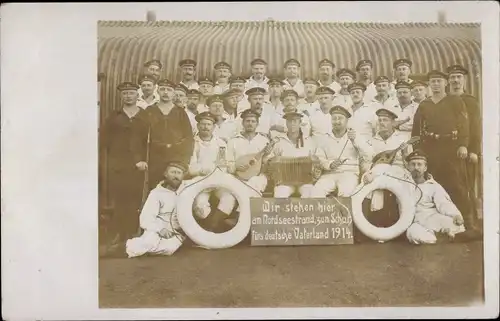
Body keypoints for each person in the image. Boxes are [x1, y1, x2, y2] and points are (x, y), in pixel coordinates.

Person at [411, 70, 480, 237]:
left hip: (452, 149)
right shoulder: (424, 105)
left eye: (439, 81)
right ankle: (443, 226)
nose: (436, 84)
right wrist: (418, 152)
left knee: (458, 185)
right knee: (436, 186)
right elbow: (416, 131)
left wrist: (463, 145)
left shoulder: (455, 101)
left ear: (445, 83)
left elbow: (464, 124)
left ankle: (469, 224)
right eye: (433, 81)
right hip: (431, 150)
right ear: (429, 85)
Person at [99, 82, 149, 252]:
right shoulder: (114, 117)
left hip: (138, 166)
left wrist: (144, 161)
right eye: (125, 93)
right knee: (119, 200)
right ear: (121, 96)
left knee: (135, 199)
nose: (128, 96)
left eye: (131, 93)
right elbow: (104, 142)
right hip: (118, 165)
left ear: (137, 95)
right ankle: (118, 234)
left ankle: (133, 234)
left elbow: (148, 142)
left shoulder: (145, 116)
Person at [404, 150, 476, 244]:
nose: (416, 167)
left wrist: (455, 215)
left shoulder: (433, 185)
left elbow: (444, 203)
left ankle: (443, 235)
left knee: (457, 226)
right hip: (416, 222)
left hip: (433, 218)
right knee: (413, 233)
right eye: (413, 164)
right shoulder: (403, 185)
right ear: (408, 167)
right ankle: (443, 237)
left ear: (425, 167)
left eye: (419, 164)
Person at [125, 161, 190, 258]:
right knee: (149, 242)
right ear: (165, 174)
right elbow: (146, 218)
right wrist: (160, 229)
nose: (176, 176)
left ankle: (130, 248)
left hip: (176, 232)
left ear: (183, 176)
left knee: (169, 249)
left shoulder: (188, 189)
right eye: (173, 172)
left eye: (179, 173)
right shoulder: (156, 193)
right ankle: (123, 248)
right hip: (157, 229)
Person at [446, 64, 482, 232]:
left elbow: (475, 127)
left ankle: (472, 223)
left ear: (464, 79)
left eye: (458, 77)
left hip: (467, 152)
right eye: (452, 77)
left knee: (467, 186)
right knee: (452, 186)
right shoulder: (445, 100)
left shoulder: (470, 101)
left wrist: (474, 150)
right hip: (448, 152)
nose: (455, 80)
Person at [310, 106, 373, 198]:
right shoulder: (324, 137)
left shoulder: (355, 135)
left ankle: (344, 213)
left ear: (347, 121)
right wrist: (330, 165)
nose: (337, 121)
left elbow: (369, 155)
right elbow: (320, 158)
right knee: (316, 192)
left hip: (349, 174)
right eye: (334, 119)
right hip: (329, 174)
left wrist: (355, 140)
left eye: (340, 118)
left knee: (346, 193)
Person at [188, 112, 236, 232]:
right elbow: (191, 168)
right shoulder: (192, 143)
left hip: (218, 180)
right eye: (203, 124)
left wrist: (220, 171)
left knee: (228, 199)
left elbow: (224, 164)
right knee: (200, 205)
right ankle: (213, 229)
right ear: (198, 126)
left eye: (209, 124)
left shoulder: (220, 143)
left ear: (214, 127)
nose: (205, 127)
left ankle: (212, 227)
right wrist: (205, 170)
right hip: (200, 180)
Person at [363, 108, 413, 216]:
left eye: (385, 120)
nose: (382, 123)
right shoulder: (372, 140)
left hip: (398, 170)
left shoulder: (402, 138)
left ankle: (405, 218)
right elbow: (368, 161)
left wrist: (405, 153)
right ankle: (376, 216)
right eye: (380, 120)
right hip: (378, 171)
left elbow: (409, 165)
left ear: (393, 123)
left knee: (407, 188)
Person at [147, 79, 195, 188]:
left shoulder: (180, 112)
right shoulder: (150, 111)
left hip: (176, 157)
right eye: (162, 89)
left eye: (169, 90)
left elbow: (188, 137)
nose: (165, 92)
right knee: (155, 187)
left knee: (175, 188)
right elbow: (143, 136)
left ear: (173, 93)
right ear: (157, 91)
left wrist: (185, 160)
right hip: (155, 158)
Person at [267, 111, 317, 198]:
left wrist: (315, 171)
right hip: (285, 182)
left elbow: (316, 162)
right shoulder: (279, 141)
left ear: (300, 123)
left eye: (295, 121)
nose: (292, 124)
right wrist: (275, 170)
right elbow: (270, 160)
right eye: (289, 121)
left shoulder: (309, 141)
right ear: (286, 123)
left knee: (310, 193)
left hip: (305, 182)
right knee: (279, 194)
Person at [226, 109, 273, 194]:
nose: (250, 123)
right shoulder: (233, 141)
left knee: (253, 186)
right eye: (247, 121)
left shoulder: (263, 140)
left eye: (253, 121)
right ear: (243, 123)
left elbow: (268, 163)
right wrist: (235, 167)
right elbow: (228, 162)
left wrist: (266, 155)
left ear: (257, 124)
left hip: (258, 177)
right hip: (237, 177)